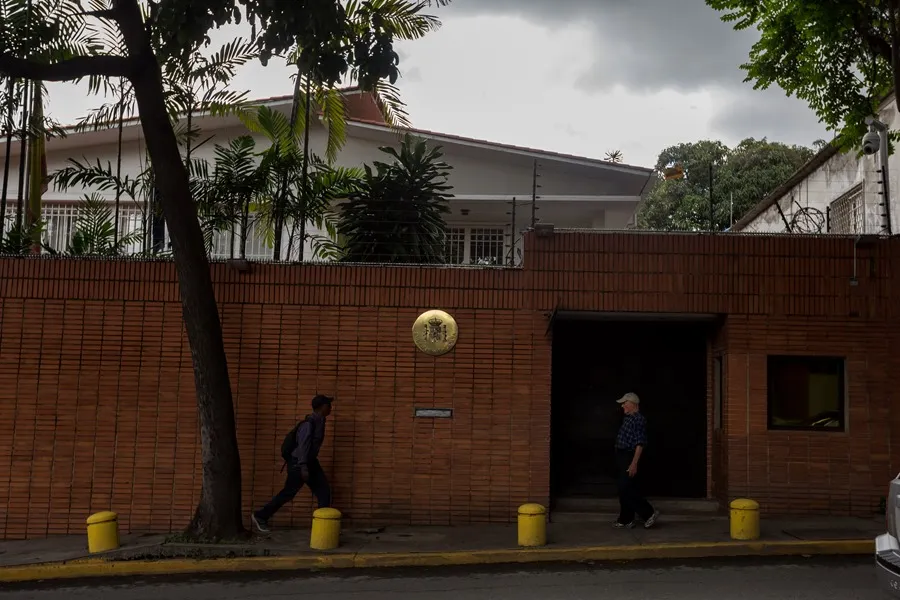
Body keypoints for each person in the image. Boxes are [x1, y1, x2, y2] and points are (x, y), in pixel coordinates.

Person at [252, 394, 333, 533]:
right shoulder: (309, 424)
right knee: (288, 492)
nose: (330, 408)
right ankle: (261, 516)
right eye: (328, 405)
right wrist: (303, 467)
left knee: (324, 491)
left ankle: (323, 527)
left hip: (311, 462)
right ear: (321, 407)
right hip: (299, 464)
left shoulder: (320, 421)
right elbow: (303, 446)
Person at [613, 392, 659, 529]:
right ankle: (626, 519)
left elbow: (640, 444)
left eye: (625, 403)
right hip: (622, 456)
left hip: (629, 456)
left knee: (625, 487)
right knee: (623, 489)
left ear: (632, 404)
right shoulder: (628, 418)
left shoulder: (638, 420)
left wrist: (634, 463)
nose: (622, 406)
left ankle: (649, 513)